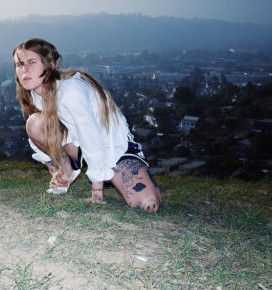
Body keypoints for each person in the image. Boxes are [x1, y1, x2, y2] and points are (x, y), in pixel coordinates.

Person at [13, 38, 162, 212]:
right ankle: (65, 170)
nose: (25, 70)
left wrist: (96, 193)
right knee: (34, 123)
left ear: (50, 66)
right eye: (19, 64)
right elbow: (44, 130)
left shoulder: (71, 91)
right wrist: (60, 162)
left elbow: (92, 138)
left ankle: (118, 172)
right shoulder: (34, 94)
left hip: (111, 146)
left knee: (148, 204)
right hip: (76, 144)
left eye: (32, 62)